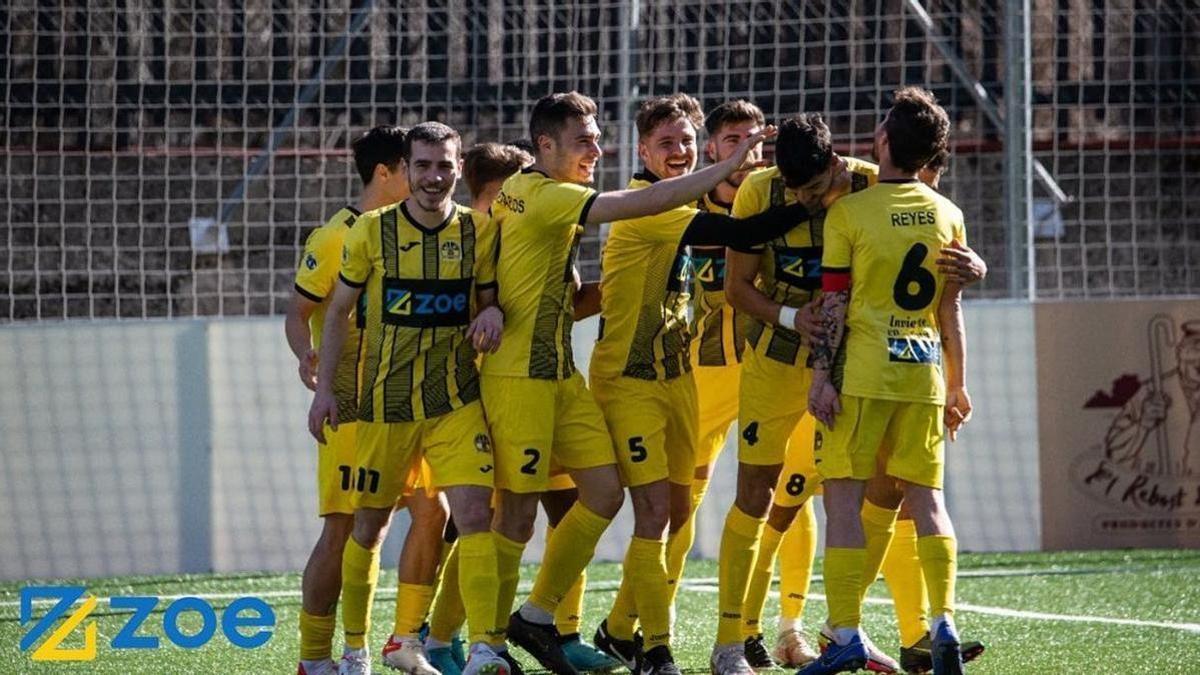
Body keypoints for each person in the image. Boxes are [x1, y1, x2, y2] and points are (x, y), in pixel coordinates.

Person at [482, 91, 774, 675]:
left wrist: (500, 297)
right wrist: (743, 172)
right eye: (666, 142)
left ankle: (561, 622)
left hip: (622, 375)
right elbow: (736, 231)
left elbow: (567, 285)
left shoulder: (546, 195)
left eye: (687, 141)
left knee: (623, 501)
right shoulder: (635, 201)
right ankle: (486, 642)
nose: (679, 151)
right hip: (594, 378)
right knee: (500, 515)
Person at [585, 94, 812, 675]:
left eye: (752, 140)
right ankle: (612, 629)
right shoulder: (664, 203)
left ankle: (773, 628)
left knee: (786, 498)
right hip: (686, 376)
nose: (742, 152)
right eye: (730, 141)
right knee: (665, 515)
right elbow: (742, 237)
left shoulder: (772, 188)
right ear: (717, 149)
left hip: (758, 370)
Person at [308, 121, 509, 675]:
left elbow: (488, 299)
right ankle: (355, 650)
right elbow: (338, 312)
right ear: (406, 167)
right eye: (421, 165)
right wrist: (325, 390)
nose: (432, 176)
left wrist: (491, 310)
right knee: (367, 529)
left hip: (455, 401)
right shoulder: (370, 231)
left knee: (474, 515)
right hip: (385, 406)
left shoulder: (478, 231)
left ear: (459, 168)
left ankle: (487, 648)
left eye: (444, 165)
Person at [802, 87, 972, 675]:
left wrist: (821, 376)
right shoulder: (947, 213)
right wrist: (958, 385)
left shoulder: (849, 213)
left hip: (863, 373)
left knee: (843, 501)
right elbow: (950, 310)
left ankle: (845, 630)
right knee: (927, 501)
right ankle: (944, 622)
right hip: (923, 372)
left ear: (883, 143)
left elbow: (834, 305)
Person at [715, 113, 879, 675]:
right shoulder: (760, 192)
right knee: (754, 492)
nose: (802, 199)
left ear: (835, 164)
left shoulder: (868, 184)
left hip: (846, 366)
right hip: (774, 360)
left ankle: (837, 631)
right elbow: (738, 288)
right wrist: (792, 316)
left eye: (811, 189)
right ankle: (730, 642)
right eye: (793, 189)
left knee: (842, 493)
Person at [287, 125, 450, 675]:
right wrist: (307, 359)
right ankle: (317, 657)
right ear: (386, 172)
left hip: (410, 402)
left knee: (436, 512)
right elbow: (300, 312)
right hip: (355, 406)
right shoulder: (337, 236)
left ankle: (403, 640)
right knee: (348, 528)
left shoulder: (418, 229)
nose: (427, 177)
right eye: (413, 167)